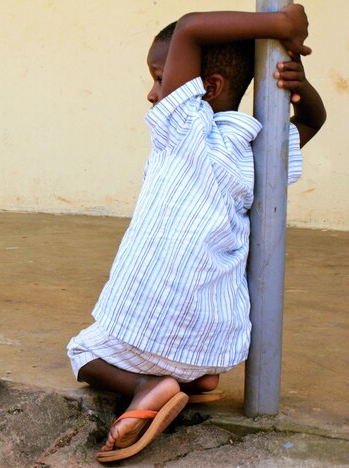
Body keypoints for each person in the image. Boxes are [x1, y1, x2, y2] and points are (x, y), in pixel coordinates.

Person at [67, 4, 326, 463]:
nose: (153, 93)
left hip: (150, 323)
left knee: (83, 350)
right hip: (218, 340)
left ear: (204, 87)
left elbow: (189, 29)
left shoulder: (182, 127)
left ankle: (149, 386)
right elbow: (312, 121)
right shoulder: (257, 152)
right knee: (183, 341)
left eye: (159, 78)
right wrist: (298, 84)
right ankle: (197, 378)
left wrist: (279, 25)